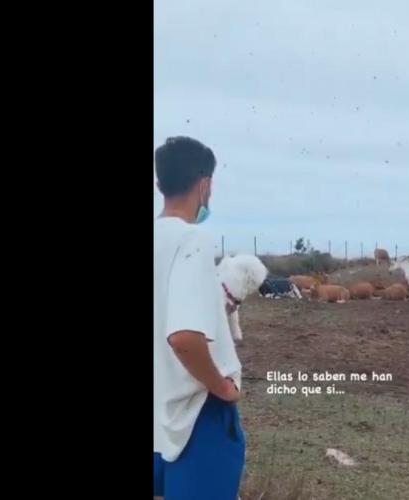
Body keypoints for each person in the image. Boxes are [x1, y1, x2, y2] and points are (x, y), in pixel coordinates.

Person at [153, 136, 245, 499]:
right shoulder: (192, 239)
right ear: (205, 185)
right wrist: (221, 386)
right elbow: (184, 337)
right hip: (195, 418)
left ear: (159, 185)